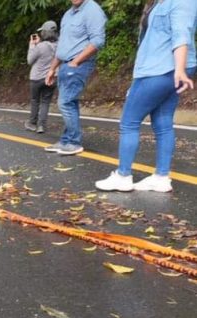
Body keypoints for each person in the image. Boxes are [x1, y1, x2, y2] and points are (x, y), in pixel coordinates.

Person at [96, 0, 197, 193]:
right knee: (163, 122)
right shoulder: (161, 3)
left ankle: (123, 176)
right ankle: (161, 177)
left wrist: (180, 69)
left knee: (129, 121)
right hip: (162, 68)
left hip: (161, 69)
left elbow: (181, 32)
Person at [44, 0, 107, 156]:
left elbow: (98, 40)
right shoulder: (68, 14)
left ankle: (73, 142)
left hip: (78, 64)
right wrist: (52, 68)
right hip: (64, 65)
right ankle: (66, 140)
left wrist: (76, 61)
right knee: (69, 103)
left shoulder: (92, 10)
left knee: (65, 102)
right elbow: (62, 46)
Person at [26, 21, 58, 133]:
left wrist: (32, 45)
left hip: (36, 78)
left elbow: (29, 61)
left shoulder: (40, 47)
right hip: (52, 78)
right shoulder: (59, 45)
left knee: (35, 101)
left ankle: (32, 123)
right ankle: (41, 126)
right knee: (45, 102)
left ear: (45, 33)